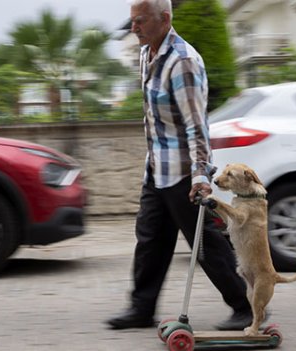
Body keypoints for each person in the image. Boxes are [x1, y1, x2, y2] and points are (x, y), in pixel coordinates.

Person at [106, 0, 254, 331]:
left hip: (184, 174)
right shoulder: (147, 53)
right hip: (156, 167)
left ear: (165, 18)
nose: (134, 28)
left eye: (140, 21)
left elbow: (196, 125)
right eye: (133, 21)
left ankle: (247, 306)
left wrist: (201, 176)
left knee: (206, 245)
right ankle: (141, 308)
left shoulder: (183, 62)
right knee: (149, 240)